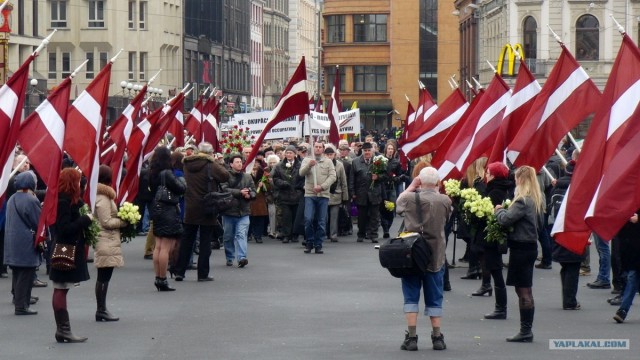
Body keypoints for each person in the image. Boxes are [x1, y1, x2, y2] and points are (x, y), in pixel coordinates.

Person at [395, 167, 452, 351]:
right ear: (437, 182)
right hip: (435, 254)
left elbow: (398, 204)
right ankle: (437, 337)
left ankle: (411, 337)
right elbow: (448, 216)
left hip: (412, 252)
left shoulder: (410, 198)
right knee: (435, 296)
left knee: (411, 294)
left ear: (420, 181)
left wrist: (412, 185)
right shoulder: (444, 200)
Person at [494, 166, 543, 342]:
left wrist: (499, 209)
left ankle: (526, 330)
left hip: (521, 247)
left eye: (516, 178)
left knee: (523, 289)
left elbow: (506, 220)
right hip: (529, 247)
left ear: (521, 180)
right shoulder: (536, 199)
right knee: (524, 288)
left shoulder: (522, 200)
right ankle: (526, 329)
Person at [49, 168, 93, 343]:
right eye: (78, 180)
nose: (80, 183)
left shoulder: (69, 200)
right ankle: (63, 330)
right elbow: (64, 228)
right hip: (66, 250)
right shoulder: (63, 201)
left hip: (68, 248)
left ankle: (63, 330)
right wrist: (85, 220)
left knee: (62, 288)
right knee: (60, 288)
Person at [174, 142, 228, 282]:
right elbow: (225, 176)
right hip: (207, 205)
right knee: (205, 241)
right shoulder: (211, 164)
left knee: (187, 240)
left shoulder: (186, 164)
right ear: (210, 153)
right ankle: (202, 273)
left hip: (191, 206)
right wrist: (218, 162)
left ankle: (179, 271)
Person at [148, 147, 186, 291]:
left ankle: (158, 277)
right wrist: (182, 180)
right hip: (168, 210)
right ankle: (162, 278)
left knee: (158, 246)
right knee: (165, 247)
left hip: (157, 209)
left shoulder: (153, 172)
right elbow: (181, 188)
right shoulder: (167, 173)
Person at [4, 171, 42, 315]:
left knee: (17, 272)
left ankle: (20, 299)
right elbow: (37, 222)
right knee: (26, 272)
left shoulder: (12, 198)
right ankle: (21, 305)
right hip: (25, 240)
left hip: (12, 239)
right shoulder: (31, 200)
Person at [93, 165, 128, 321]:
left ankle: (102, 308)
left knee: (104, 275)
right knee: (104, 275)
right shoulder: (103, 197)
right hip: (105, 238)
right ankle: (101, 309)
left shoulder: (101, 195)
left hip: (106, 238)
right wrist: (124, 221)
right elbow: (106, 221)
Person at [480, 163, 514, 318]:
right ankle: (500, 307)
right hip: (493, 236)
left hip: (492, 237)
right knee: (495, 269)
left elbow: (491, 213)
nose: (486, 175)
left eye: (488, 173)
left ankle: (501, 308)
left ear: (494, 175)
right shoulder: (500, 189)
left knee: (496, 270)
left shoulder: (495, 192)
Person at [299, 142, 336, 254]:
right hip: (310, 194)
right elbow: (301, 173)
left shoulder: (328, 161)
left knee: (321, 221)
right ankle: (309, 242)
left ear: (323, 149)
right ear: (313, 148)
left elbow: (333, 176)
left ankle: (318, 244)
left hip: (323, 195)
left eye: (320, 147)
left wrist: (322, 187)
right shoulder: (307, 160)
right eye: (316, 147)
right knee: (308, 218)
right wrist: (309, 165)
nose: (318, 149)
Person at [221, 154, 256, 267]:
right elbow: (224, 190)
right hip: (229, 211)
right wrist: (239, 192)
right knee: (228, 236)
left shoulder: (247, 177)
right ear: (231, 164)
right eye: (237, 162)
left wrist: (249, 195)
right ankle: (230, 256)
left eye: (240, 161)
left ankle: (242, 257)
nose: (239, 163)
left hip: (244, 211)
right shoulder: (225, 176)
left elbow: (254, 191)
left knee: (241, 235)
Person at [349, 142, 386, 243]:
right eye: (365, 151)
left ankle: (373, 235)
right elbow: (352, 179)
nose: (367, 152)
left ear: (372, 150)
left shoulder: (378, 161)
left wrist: (378, 177)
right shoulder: (355, 162)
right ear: (362, 151)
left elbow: (385, 176)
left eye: (369, 150)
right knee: (362, 216)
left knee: (374, 216)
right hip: (361, 193)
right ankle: (361, 234)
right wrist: (352, 192)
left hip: (375, 193)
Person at [272, 146, 303, 243]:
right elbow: (275, 178)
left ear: (295, 154)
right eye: (287, 153)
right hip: (285, 194)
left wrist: (299, 187)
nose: (289, 155)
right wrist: (282, 183)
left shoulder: (300, 165)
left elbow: (303, 178)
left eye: (291, 153)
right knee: (286, 216)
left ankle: (295, 234)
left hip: (297, 194)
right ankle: (286, 235)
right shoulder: (279, 166)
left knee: (296, 216)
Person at [613, 210, 640, 323]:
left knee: (633, 277)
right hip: (632, 242)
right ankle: (623, 310)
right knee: (633, 276)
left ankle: (623, 310)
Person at [324, 145, 349, 242]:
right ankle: (325, 233)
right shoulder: (322, 164)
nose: (329, 156)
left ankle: (333, 234)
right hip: (324, 193)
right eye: (327, 155)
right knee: (324, 216)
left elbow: (343, 181)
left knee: (334, 216)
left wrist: (345, 197)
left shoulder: (339, 165)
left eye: (331, 154)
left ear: (334, 155)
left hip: (336, 194)